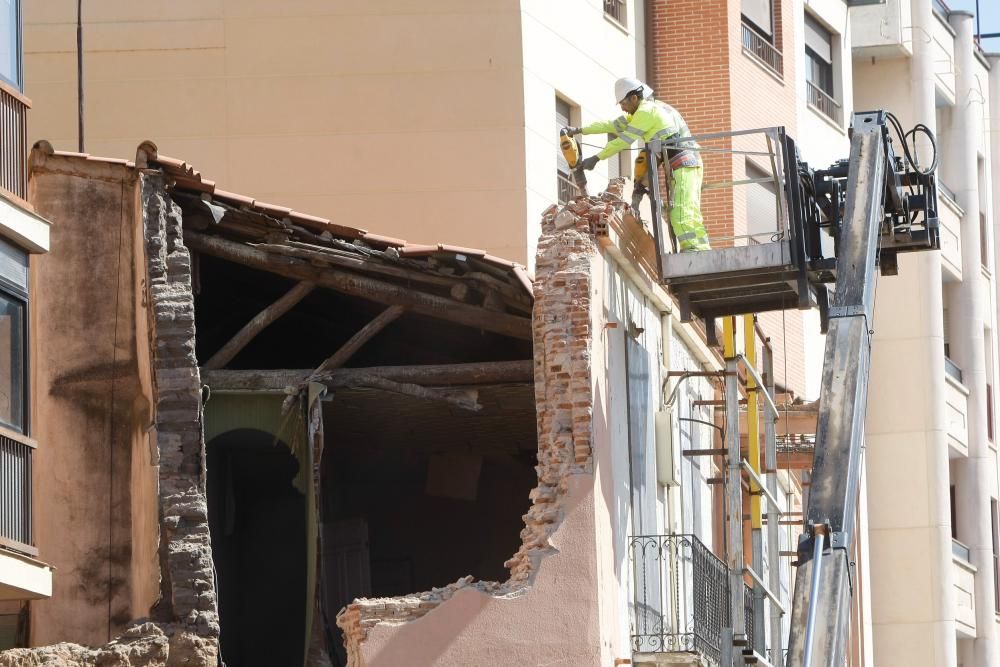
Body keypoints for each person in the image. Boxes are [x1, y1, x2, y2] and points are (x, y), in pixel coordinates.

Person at [565, 77, 710, 252]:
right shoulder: (645, 112)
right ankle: (701, 249)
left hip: (684, 163)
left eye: (623, 103)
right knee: (688, 210)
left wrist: (596, 158)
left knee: (681, 212)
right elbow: (610, 125)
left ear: (634, 98)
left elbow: (624, 141)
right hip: (685, 164)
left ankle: (695, 252)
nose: (622, 107)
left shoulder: (646, 112)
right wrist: (580, 130)